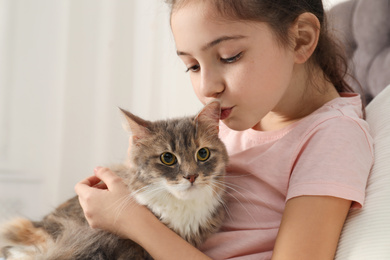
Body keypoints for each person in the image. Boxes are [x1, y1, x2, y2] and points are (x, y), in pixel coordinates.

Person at [75, 0, 374, 259]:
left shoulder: (332, 137)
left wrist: (130, 220)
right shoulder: (234, 120)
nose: (207, 88)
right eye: (192, 66)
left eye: (229, 56)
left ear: (300, 39)